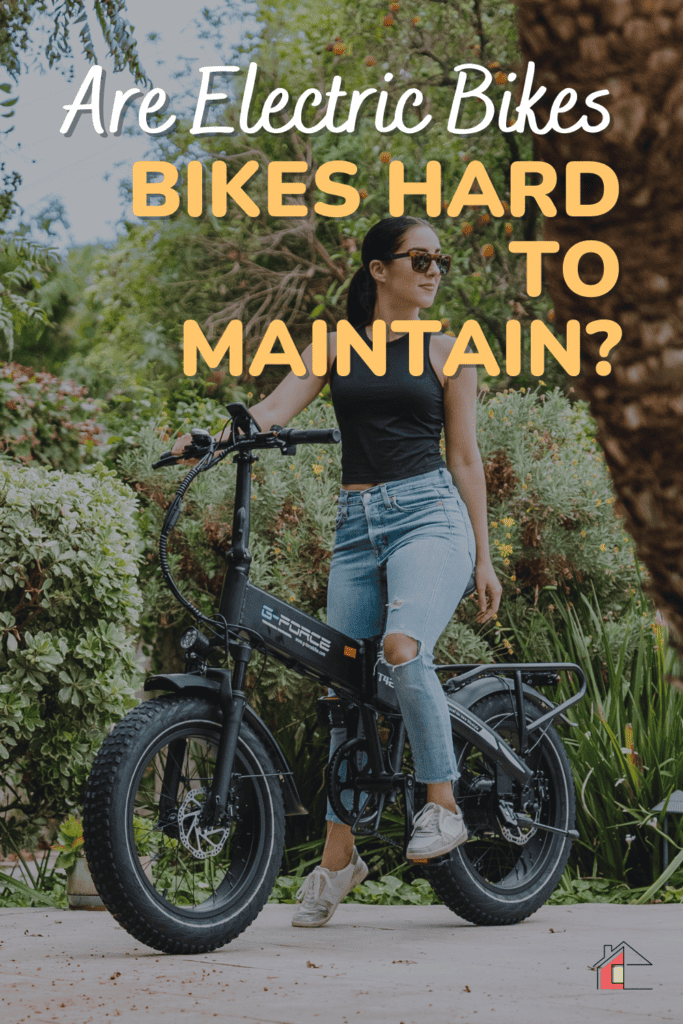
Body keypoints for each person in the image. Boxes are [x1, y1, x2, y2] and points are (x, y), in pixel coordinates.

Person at [173, 215, 501, 928]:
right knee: (345, 694)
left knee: (401, 652)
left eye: (438, 260)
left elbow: (465, 458)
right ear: (379, 269)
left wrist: (482, 553)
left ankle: (440, 807)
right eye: (418, 258)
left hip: (428, 517)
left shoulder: (450, 351)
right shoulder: (333, 344)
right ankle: (336, 860)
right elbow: (270, 409)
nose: (433, 270)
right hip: (356, 530)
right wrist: (212, 437)